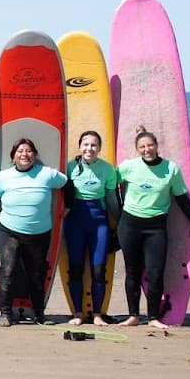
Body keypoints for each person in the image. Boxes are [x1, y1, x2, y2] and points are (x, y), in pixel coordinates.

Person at [115, 127, 190, 329]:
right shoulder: (129, 167)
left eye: (150, 145)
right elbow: (109, 184)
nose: (147, 149)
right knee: (132, 271)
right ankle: (133, 315)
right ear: (137, 149)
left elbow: (181, 197)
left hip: (156, 227)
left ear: (156, 145)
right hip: (130, 224)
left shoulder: (171, 169)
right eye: (142, 146)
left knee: (155, 272)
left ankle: (153, 317)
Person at [0, 138, 68, 327]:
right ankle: (5, 313)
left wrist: (70, 205)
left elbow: (67, 184)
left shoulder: (47, 174)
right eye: (20, 151)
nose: (24, 154)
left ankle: (39, 315)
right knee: (8, 271)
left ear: (34, 155)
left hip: (40, 233)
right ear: (13, 156)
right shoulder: (4, 177)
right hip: (10, 231)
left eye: (28, 151)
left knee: (37, 274)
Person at [62, 131, 119, 326]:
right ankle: (77, 313)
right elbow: (61, 195)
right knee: (76, 268)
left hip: (99, 223)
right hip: (75, 222)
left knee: (98, 269)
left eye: (94, 145)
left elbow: (112, 199)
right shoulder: (70, 167)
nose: (89, 149)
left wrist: (120, 224)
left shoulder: (108, 169)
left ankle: (97, 314)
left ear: (100, 148)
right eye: (86, 144)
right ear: (80, 147)